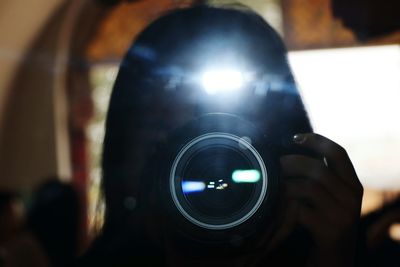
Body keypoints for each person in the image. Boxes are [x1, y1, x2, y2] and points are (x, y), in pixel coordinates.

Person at [77, 5, 363, 267]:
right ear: (125, 146)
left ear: (287, 139)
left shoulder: (330, 249)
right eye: (163, 124)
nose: (214, 164)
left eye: (235, 128)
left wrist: (334, 255)